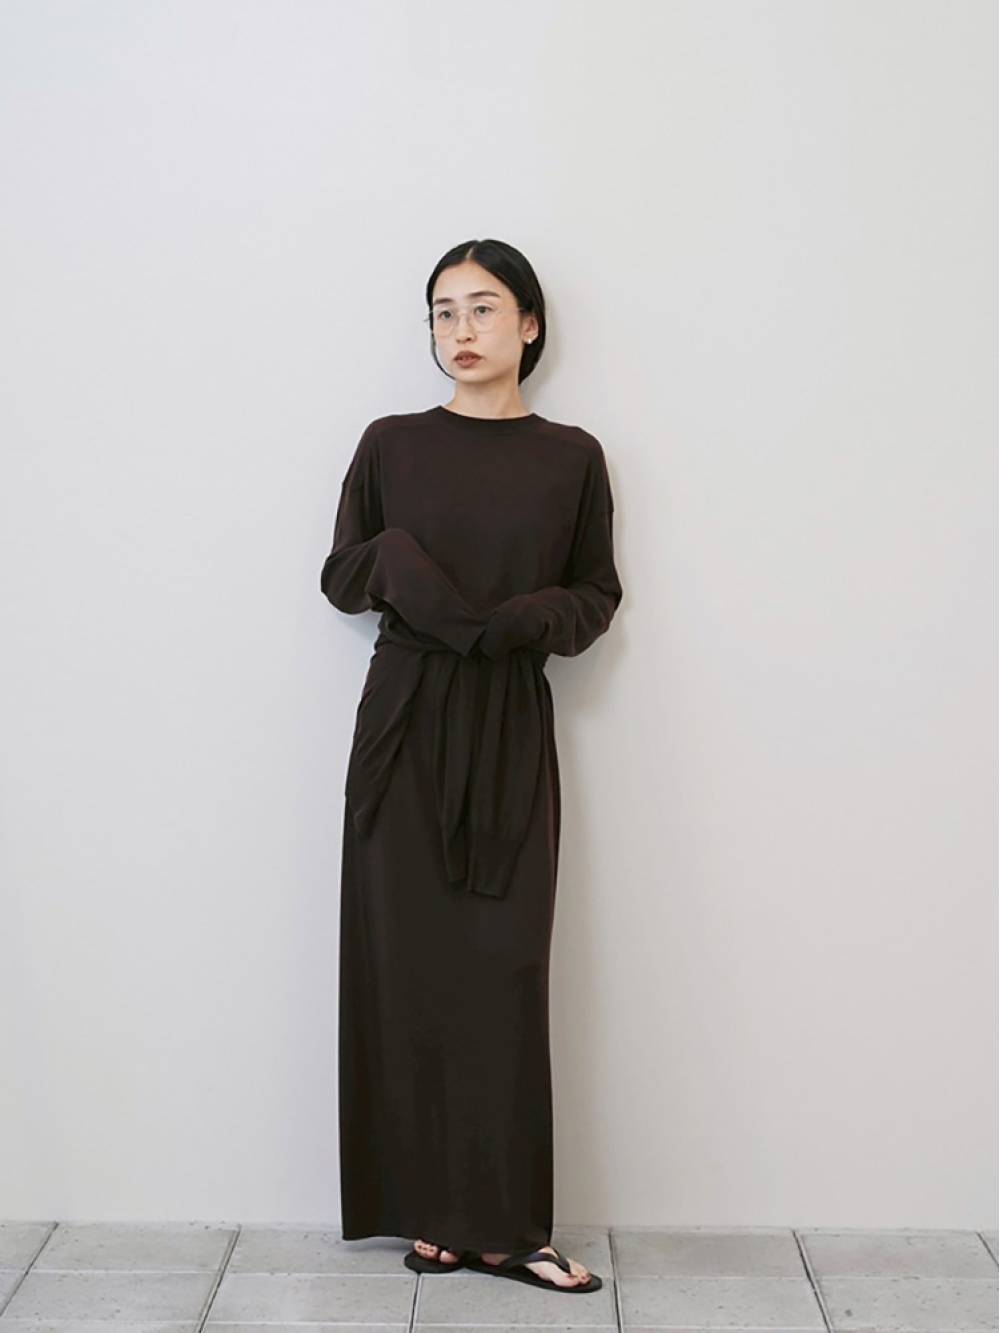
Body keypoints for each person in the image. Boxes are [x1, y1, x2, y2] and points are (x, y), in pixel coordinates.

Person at [319, 239, 622, 1295]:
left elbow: (596, 594)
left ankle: (505, 1228)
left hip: (504, 718)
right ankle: (432, 1216)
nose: (461, 329)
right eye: (443, 311)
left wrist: (528, 618)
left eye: (484, 308)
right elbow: (341, 572)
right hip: (403, 719)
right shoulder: (391, 443)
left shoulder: (571, 457)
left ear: (529, 324)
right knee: (404, 967)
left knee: (503, 968)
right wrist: (397, 561)